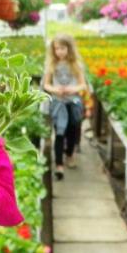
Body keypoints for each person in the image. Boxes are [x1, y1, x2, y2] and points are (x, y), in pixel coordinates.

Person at [42, 34, 87, 180]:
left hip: (73, 101)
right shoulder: (51, 65)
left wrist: (72, 89)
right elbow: (46, 84)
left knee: (73, 129)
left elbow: (82, 84)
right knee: (60, 131)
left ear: (69, 48)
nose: (59, 52)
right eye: (56, 49)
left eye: (62, 48)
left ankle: (69, 153)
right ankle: (59, 165)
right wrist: (56, 90)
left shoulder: (76, 65)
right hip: (58, 102)